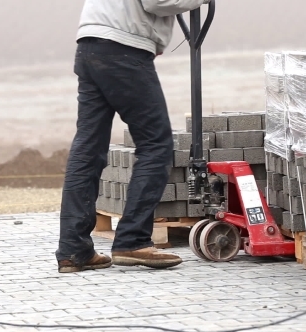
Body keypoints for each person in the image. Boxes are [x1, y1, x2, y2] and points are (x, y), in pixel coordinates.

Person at [56, 0, 212, 273]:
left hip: (91, 45)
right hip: (122, 50)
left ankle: (73, 249)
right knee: (156, 144)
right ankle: (133, 240)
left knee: (88, 148)